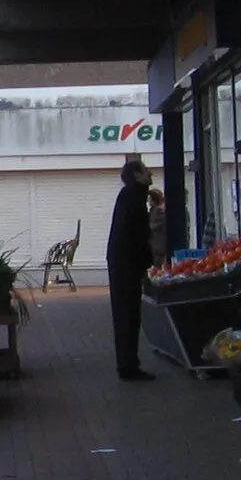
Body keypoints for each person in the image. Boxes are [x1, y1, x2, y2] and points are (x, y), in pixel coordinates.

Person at [106, 156, 155, 381]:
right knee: (128, 315)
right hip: (126, 266)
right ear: (137, 175)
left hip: (122, 264)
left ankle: (127, 363)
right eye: (146, 170)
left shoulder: (130, 197)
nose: (151, 173)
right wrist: (146, 265)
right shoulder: (133, 198)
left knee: (126, 314)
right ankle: (128, 366)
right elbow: (136, 236)